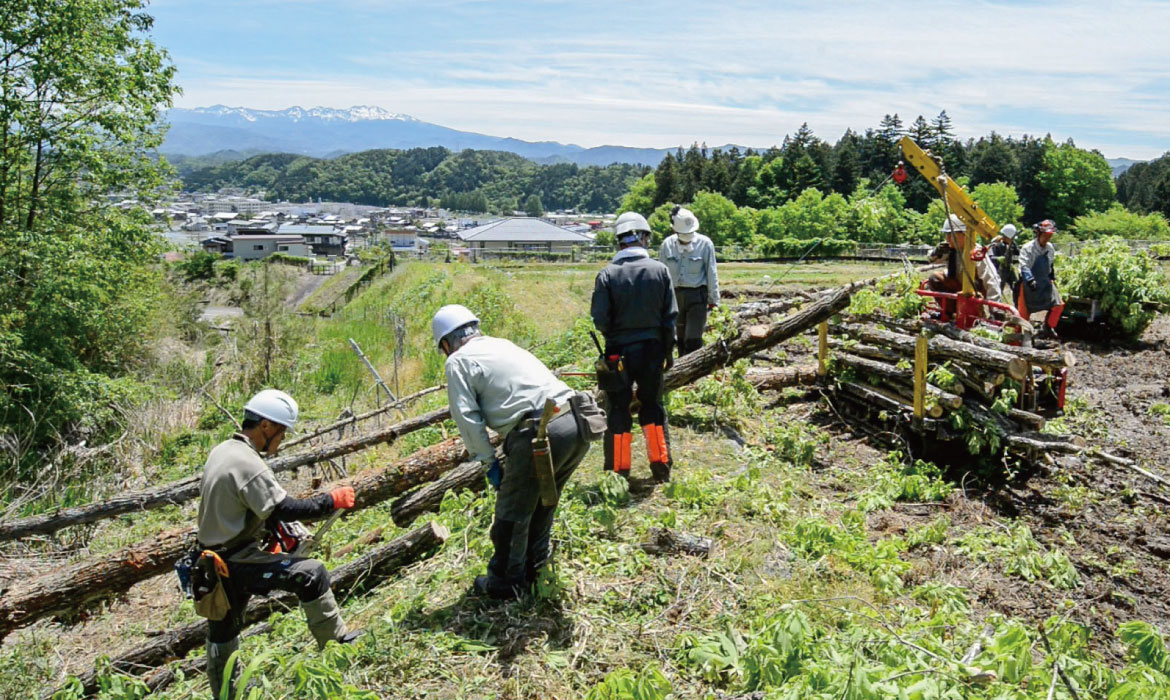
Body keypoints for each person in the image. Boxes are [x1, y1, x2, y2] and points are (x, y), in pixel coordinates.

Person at [196, 389, 359, 698]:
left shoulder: (224, 450)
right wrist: (330, 500)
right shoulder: (248, 462)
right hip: (235, 559)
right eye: (282, 433)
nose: (282, 440)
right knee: (311, 573)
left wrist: (269, 536)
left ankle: (227, 693)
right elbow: (284, 508)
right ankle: (337, 649)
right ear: (266, 427)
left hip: (212, 561)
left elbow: (249, 506)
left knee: (223, 630)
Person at [433, 304, 600, 600]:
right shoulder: (501, 344)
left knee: (512, 513)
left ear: (446, 343)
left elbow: (467, 418)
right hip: (577, 421)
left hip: (540, 431)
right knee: (543, 502)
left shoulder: (457, 361)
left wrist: (488, 462)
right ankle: (535, 568)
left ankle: (504, 584)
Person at [592, 212, 678, 482]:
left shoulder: (606, 275)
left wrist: (617, 336)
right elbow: (669, 318)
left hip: (617, 352)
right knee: (652, 405)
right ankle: (660, 466)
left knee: (618, 408)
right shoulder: (660, 271)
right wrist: (667, 352)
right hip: (653, 350)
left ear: (619, 242)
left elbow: (600, 319)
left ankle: (618, 472)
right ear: (644, 238)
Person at [659, 206, 719, 356]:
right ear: (674, 230)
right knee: (679, 338)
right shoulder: (667, 245)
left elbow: (712, 272)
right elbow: (661, 275)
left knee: (693, 338)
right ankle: (681, 371)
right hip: (675, 298)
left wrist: (714, 300)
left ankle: (694, 372)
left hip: (697, 296)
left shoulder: (705, 244)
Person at [925, 214, 1001, 303]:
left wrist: (994, 305)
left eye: (951, 234)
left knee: (975, 283)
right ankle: (950, 312)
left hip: (974, 293)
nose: (948, 238)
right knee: (934, 278)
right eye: (947, 234)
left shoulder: (976, 252)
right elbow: (931, 260)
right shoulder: (949, 249)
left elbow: (991, 279)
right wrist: (936, 252)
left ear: (965, 234)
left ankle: (973, 311)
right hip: (958, 287)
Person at [1017, 219, 1065, 338]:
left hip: (1045, 281)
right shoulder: (1028, 248)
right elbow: (1024, 265)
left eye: (1050, 235)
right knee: (1023, 315)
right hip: (1029, 284)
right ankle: (1020, 337)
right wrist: (1030, 280)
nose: (1048, 238)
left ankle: (1048, 327)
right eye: (1045, 235)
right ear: (1039, 234)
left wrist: (1052, 278)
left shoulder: (1050, 248)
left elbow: (1050, 265)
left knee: (1058, 305)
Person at [990, 223, 1020, 299]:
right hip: (999, 271)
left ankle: (1017, 305)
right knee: (998, 290)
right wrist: (998, 259)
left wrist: (1015, 260)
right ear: (1007, 237)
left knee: (1017, 287)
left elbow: (1018, 254)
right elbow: (990, 258)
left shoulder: (1012, 245)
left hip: (1009, 269)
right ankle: (995, 307)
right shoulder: (995, 244)